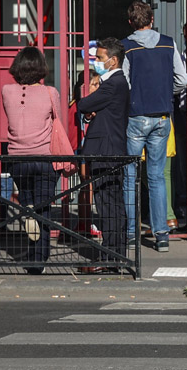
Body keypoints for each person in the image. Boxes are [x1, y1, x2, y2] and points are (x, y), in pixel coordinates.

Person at [121, 0, 187, 252]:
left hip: (136, 116)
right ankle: (161, 234)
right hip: (162, 116)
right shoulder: (168, 43)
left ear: (131, 22)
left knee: (130, 178)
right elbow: (183, 79)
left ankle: (130, 234)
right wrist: (166, 93)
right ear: (151, 20)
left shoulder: (126, 47)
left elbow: (125, 83)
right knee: (157, 177)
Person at [0, 46, 67, 274]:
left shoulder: (7, 91)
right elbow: (56, 119)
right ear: (41, 67)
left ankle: (32, 253)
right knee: (43, 209)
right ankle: (39, 259)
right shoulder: (51, 92)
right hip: (44, 158)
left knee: (28, 208)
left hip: (18, 159)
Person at [76, 37, 131, 273]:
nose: (96, 62)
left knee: (108, 204)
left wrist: (89, 95)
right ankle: (115, 254)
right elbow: (96, 110)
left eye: (99, 58)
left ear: (113, 60)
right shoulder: (114, 83)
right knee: (111, 203)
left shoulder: (113, 83)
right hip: (110, 147)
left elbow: (84, 104)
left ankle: (111, 256)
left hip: (105, 151)